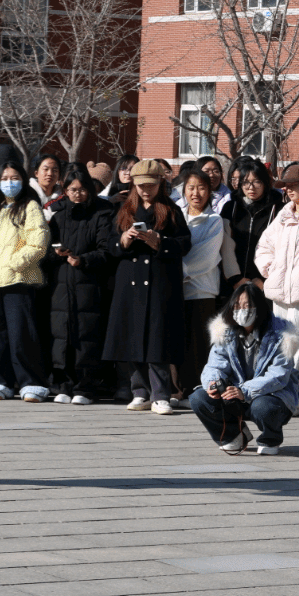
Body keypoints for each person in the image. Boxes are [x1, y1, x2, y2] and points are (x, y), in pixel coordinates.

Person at [102, 159, 192, 415]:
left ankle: (161, 394)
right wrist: (123, 240)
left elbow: (185, 244)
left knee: (157, 340)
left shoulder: (171, 210)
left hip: (160, 283)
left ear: (160, 183)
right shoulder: (123, 210)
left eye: (151, 185)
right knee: (131, 337)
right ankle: (139, 391)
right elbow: (108, 244)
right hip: (129, 283)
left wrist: (159, 242)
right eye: (140, 185)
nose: (145, 190)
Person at [190, 283, 299, 455]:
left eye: (247, 305)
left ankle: (270, 438)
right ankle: (233, 435)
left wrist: (244, 391)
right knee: (199, 398)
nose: (241, 311)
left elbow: (278, 375)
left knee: (263, 407)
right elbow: (215, 364)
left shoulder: (283, 334)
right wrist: (214, 383)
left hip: (271, 396)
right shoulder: (225, 331)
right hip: (234, 394)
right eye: (237, 306)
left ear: (260, 307)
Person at [0, 160, 51, 402]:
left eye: (15, 178)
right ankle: (0, 380)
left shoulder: (30, 206)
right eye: (5, 178)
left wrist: (14, 263)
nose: (9, 183)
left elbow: (38, 242)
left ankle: (31, 382)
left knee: (21, 334)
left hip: (17, 279)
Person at [44, 164, 115, 405]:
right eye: (73, 190)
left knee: (87, 335)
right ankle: (63, 384)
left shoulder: (101, 213)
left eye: (82, 189)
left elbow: (106, 250)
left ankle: (85, 388)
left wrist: (84, 260)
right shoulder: (58, 215)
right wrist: (56, 254)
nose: (78, 194)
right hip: (61, 284)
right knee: (61, 335)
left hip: (89, 284)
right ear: (65, 191)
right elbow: (45, 251)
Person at [254, 162, 299, 408]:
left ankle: (289, 400)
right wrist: (271, 270)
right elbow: (264, 247)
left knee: (296, 349)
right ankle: (295, 400)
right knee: (283, 347)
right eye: (285, 186)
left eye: (293, 185)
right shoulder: (282, 215)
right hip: (279, 292)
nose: (288, 190)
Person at [177, 167, 238, 402]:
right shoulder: (176, 215)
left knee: (198, 345)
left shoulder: (214, 220)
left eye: (201, 188)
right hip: (176, 291)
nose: (196, 193)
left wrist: (176, 273)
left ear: (209, 192)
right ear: (184, 190)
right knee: (178, 341)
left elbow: (206, 257)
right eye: (191, 188)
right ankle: (177, 389)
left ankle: (196, 390)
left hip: (202, 290)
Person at [224, 161, 283, 293]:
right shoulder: (231, 208)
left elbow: (282, 249)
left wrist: (264, 279)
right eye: (245, 182)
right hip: (233, 284)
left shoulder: (278, 210)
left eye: (257, 182)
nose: (251, 187)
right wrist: (235, 279)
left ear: (265, 182)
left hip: (265, 284)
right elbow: (225, 246)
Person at [30, 153, 63, 217]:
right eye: (46, 169)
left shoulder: (63, 197)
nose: (50, 174)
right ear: (36, 173)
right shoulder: (27, 195)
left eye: (55, 170)